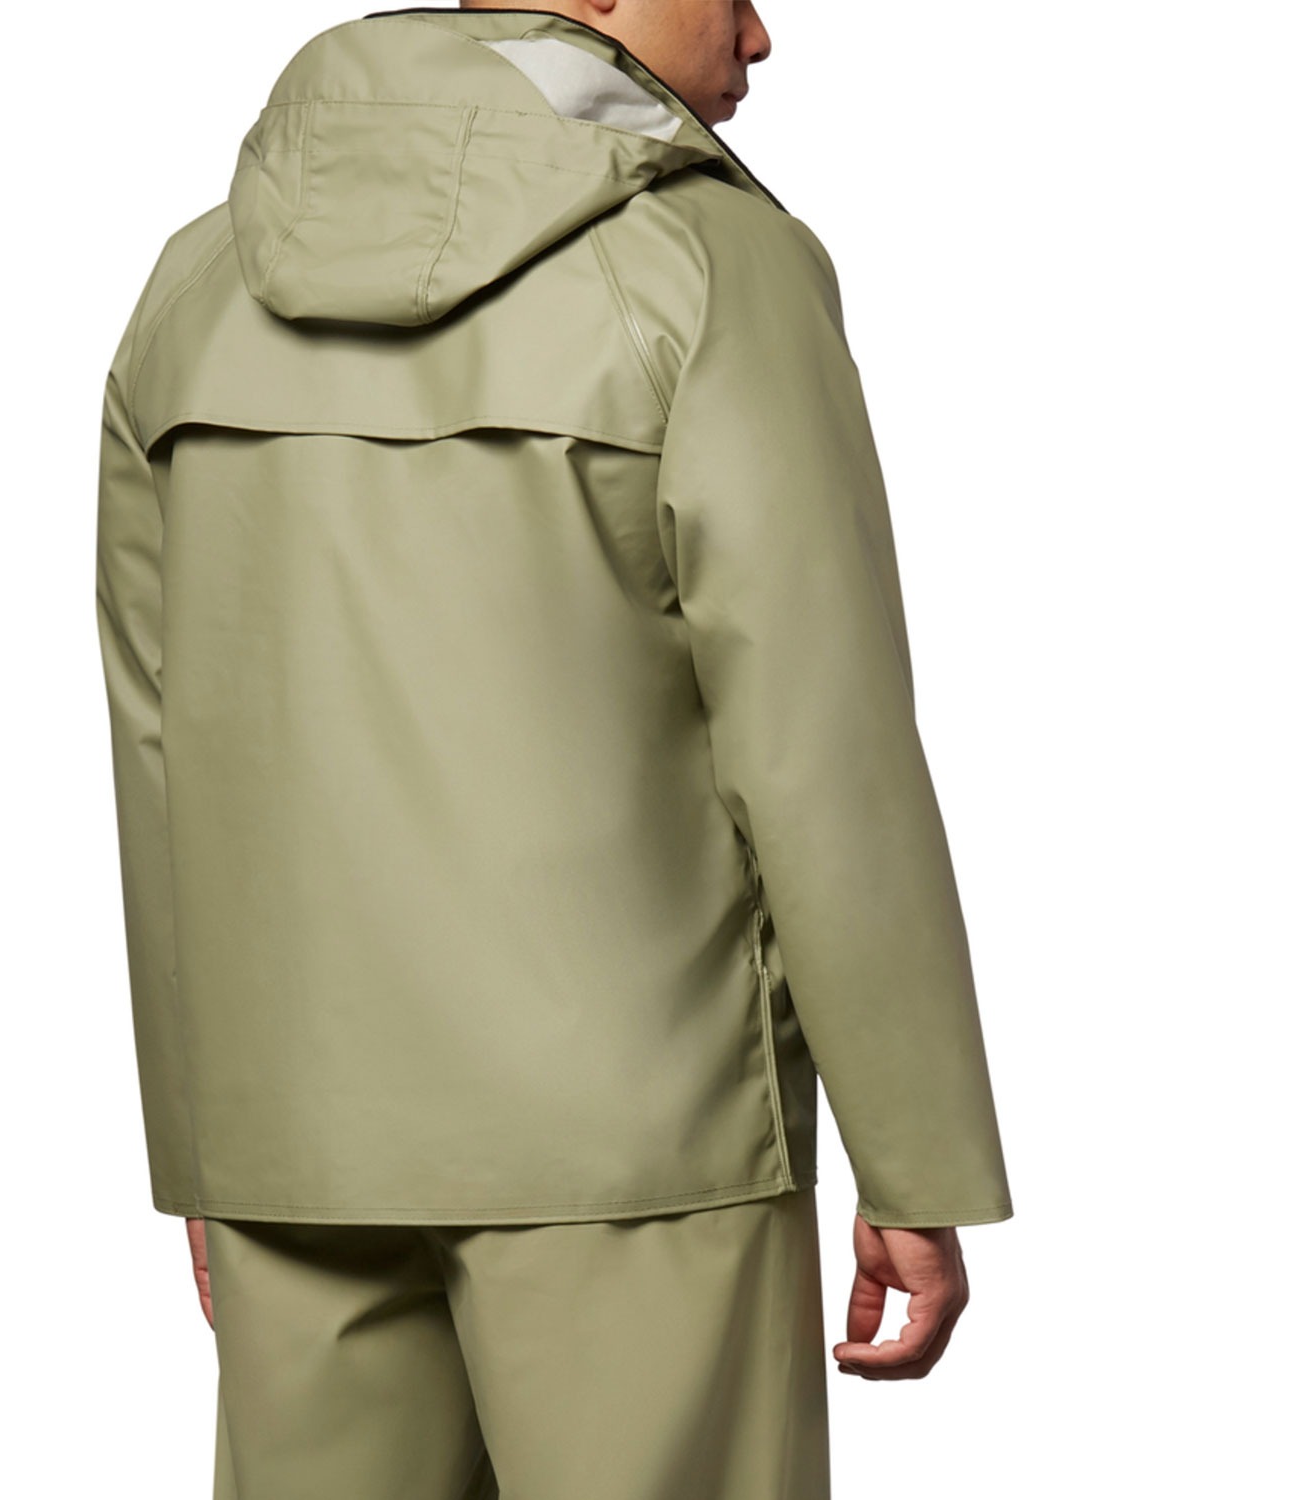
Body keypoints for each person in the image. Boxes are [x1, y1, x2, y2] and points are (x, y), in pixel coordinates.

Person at [94, 3, 1014, 1494]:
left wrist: (204, 1141)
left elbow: (158, 738)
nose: (760, 36)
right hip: (643, 1147)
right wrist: (918, 1159)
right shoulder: (711, 265)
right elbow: (818, 743)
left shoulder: (196, 287)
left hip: (294, 1135)